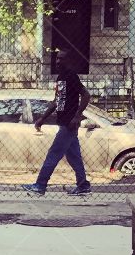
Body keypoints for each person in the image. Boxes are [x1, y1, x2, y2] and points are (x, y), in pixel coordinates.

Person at [22, 49, 92, 196]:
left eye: (62, 59)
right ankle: (83, 185)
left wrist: (77, 116)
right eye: (57, 59)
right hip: (65, 122)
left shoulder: (72, 76)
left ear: (69, 61)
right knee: (74, 156)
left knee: (53, 154)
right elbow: (57, 101)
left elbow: (86, 95)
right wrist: (43, 118)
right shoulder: (60, 78)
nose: (58, 62)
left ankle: (40, 186)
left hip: (69, 123)